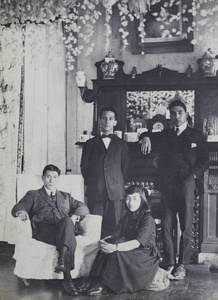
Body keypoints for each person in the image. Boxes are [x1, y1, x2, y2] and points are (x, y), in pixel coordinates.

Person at [139, 100, 209, 279]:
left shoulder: (197, 135)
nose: (176, 116)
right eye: (173, 113)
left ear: (186, 114)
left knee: (186, 226)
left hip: (187, 185)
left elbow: (204, 161)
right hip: (168, 186)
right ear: (170, 116)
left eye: (179, 112)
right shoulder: (166, 134)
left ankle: (182, 264)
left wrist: (192, 175)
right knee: (167, 224)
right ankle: (169, 262)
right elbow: (148, 134)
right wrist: (145, 137)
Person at [11, 164, 89, 296]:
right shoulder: (33, 194)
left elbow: (83, 207)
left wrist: (75, 215)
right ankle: (67, 279)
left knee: (66, 221)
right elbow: (18, 207)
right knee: (67, 232)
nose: (51, 181)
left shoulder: (65, 196)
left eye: (54, 177)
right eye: (48, 177)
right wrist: (21, 212)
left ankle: (61, 262)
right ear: (43, 178)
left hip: (64, 229)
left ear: (58, 179)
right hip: (44, 232)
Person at [80, 185, 170, 295]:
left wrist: (115, 248)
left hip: (145, 255)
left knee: (116, 253)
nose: (131, 202)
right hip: (132, 250)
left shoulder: (147, 219)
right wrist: (103, 242)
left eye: (135, 198)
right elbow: (114, 236)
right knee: (106, 248)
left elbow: (137, 242)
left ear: (142, 200)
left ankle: (104, 285)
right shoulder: (126, 217)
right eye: (128, 198)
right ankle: (93, 281)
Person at [80, 106, 130, 238]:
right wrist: (94, 183)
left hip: (116, 192)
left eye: (111, 119)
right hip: (96, 191)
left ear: (115, 122)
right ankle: (95, 258)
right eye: (104, 118)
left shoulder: (122, 145)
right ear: (99, 121)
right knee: (94, 227)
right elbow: (84, 167)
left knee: (116, 227)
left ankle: (113, 256)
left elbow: (125, 168)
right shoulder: (90, 144)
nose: (107, 121)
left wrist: (115, 182)